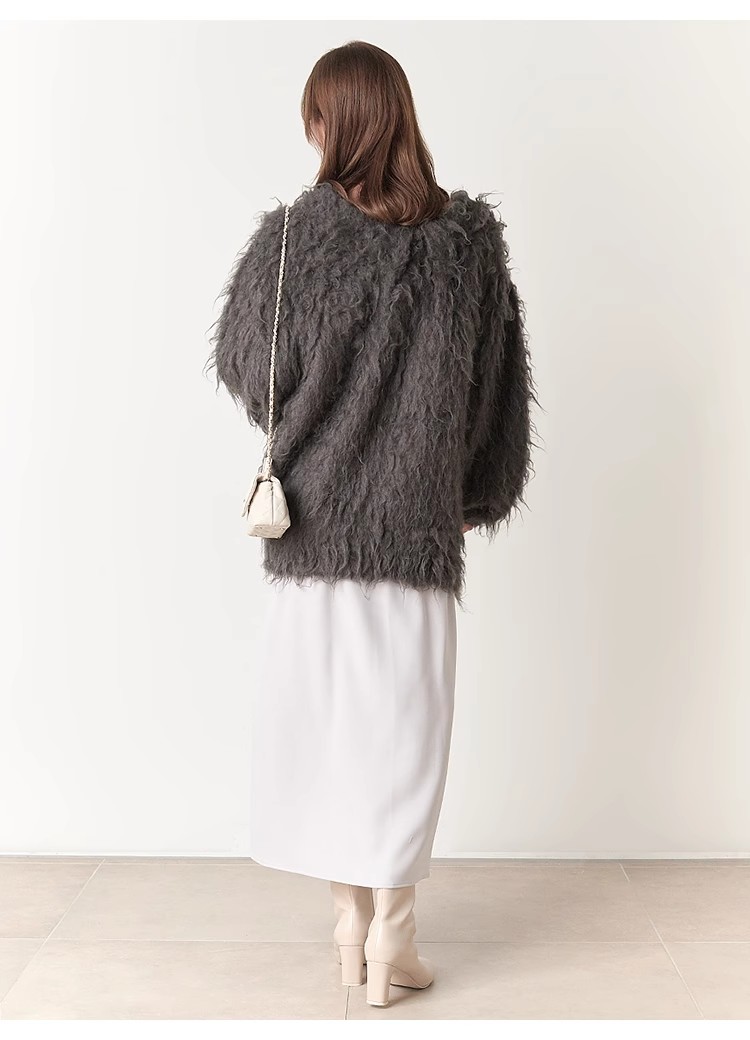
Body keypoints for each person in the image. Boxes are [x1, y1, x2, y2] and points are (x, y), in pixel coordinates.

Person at [207, 39, 535, 1010]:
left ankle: (350, 923)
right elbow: (494, 397)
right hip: (416, 530)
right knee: (404, 732)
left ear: (330, 123)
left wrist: (325, 409)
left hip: (312, 530)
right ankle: (394, 928)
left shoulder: (291, 240)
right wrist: (466, 491)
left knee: (330, 730)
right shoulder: (467, 245)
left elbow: (248, 370)